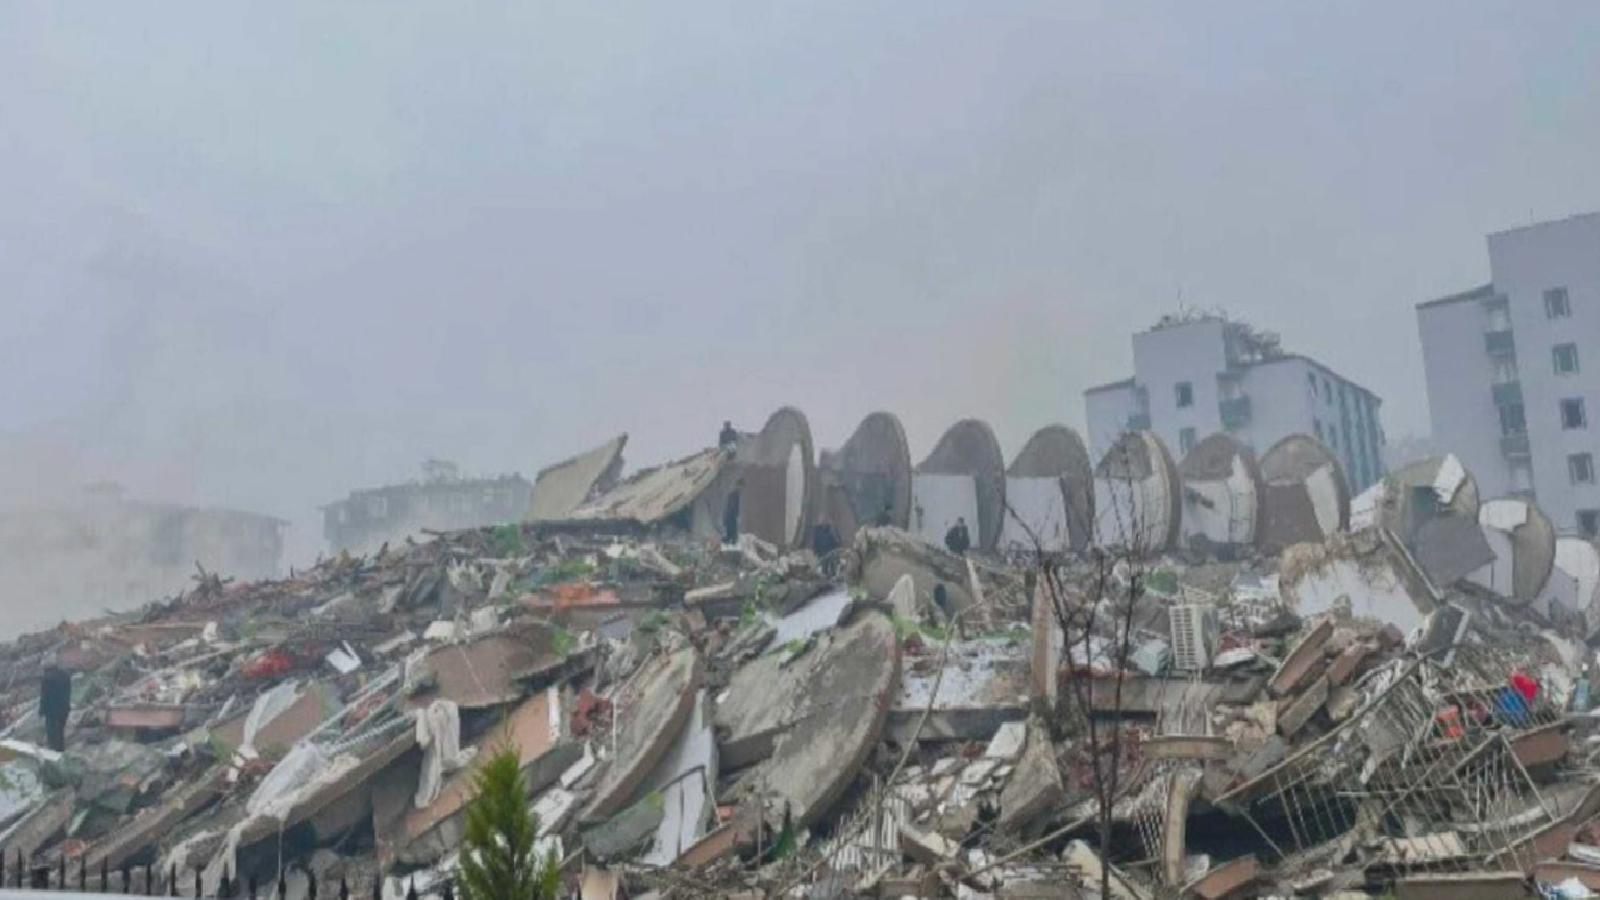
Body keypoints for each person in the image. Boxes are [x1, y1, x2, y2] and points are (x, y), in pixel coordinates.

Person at [39, 659, 71, 752]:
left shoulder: (47, 679)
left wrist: (41, 711)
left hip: (52, 711)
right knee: (60, 732)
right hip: (64, 709)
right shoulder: (65, 675)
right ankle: (61, 750)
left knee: (52, 734)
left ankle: (54, 752)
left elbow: (45, 697)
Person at [723, 479, 743, 545]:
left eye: (741, 486)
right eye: (740, 486)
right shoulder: (733, 494)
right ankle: (731, 539)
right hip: (731, 515)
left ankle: (732, 539)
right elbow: (732, 506)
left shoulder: (736, 494)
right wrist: (736, 515)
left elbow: (735, 506)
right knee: (731, 527)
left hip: (732, 515)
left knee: (732, 527)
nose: (740, 488)